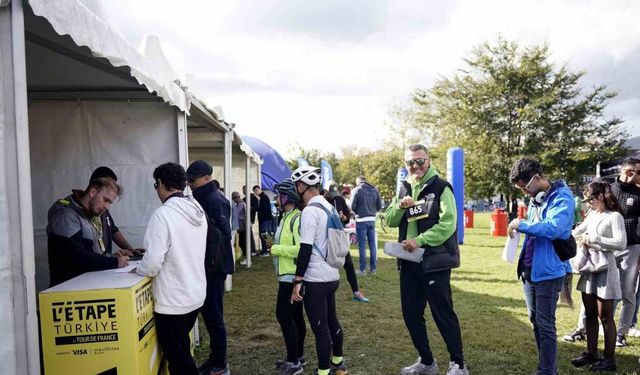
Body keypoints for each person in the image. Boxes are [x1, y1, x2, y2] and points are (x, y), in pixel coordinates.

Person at [385, 144, 467, 375]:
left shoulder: (441, 187)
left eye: (420, 161)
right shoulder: (403, 188)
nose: (415, 166)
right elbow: (390, 220)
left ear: (428, 162)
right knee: (411, 314)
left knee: (442, 313)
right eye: (411, 162)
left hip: (434, 262)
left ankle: (458, 364)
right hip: (409, 262)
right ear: (405, 164)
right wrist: (400, 207)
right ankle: (427, 361)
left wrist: (419, 241)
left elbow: (448, 224)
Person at [136, 162, 207, 375]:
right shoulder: (197, 210)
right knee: (182, 351)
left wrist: (138, 269)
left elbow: (152, 264)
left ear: (161, 184)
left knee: (179, 361)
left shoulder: (163, 214)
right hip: (194, 293)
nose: (156, 190)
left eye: (155, 185)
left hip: (172, 301)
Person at [508, 157, 574, 375]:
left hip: (548, 272)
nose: (524, 193)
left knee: (545, 325)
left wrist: (523, 224)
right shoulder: (536, 199)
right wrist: (517, 228)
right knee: (535, 321)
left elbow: (555, 229)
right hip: (529, 271)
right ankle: (545, 367)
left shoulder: (562, 197)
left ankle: (547, 371)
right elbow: (534, 228)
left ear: (536, 178)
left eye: (525, 187)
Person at [564, 158, 640, 346]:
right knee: (591, 291)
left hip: (631, 247)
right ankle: (581, 329)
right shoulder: (607, 189)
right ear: (629, 172)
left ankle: (621, 333)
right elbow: (589, 220)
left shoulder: (639, 194)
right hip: (602, 250)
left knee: (627, 291)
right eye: (639, 172)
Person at [290, 166, 348, 375]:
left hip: (316, 279)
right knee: (332, 320)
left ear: (302, 186)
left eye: (297, 186)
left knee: (320, 327)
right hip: (332, 274)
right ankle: (338, 361)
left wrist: (298, 281)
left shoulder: (310, 211)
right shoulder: (329, 206)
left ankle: (323, 371)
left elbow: (305, 248)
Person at [569, 182, 625, 372]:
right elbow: (577, 231)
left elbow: (620, 243)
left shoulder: (614, 216)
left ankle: (609, 359)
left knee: (606, 316)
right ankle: (591, 353)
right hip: (589, 268)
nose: (588, 203)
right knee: (590, 313)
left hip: (605, 269)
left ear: (601, 196)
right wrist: (570, 237)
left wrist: (594, 240)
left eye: (590, 199)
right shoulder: (592, 214)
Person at [185, 160, 233, 375]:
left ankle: (219, 364)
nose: (190, 184)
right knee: (211, 317)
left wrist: (210, 266)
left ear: (206, 178)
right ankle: (215, 360)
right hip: (206, 268)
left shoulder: (215, 200)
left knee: (214, 318)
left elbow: (223, 237)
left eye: (192, 180)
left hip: (212, 270)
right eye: (188, 181)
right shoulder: (206, 197)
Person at [46, 177, 129, 286]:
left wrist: (113, 256)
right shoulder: (66, 214)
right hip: (67, 292)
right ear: (92, 192)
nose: (106, 206)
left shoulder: (87, 214)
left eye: (110, 203)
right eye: (105, 200)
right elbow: (76, 258)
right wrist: (114, 262)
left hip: (82, 288)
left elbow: (90, 253)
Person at [269, 179, 306, 375]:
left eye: (278, 196)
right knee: (295, 317)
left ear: (286, 197)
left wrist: (276, 249)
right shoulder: (285, 217)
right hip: (287, 276)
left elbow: (302, 249)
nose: (276, 199)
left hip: (292, 278)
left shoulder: (297, 218)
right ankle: (297, 356)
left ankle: (294, 363)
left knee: (284, 316)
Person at [323, 182, 369, 302]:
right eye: (330, 193)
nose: (333, 196)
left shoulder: (339, 199)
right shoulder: (321, 201)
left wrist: (344, 217)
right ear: (325, 191)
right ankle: (324, 294)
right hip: (325, 238)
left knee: (348, 264)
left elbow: (348, 217)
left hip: (339, 236)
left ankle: (356, 292)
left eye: (334, 193)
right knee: (327, 265)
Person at [88, 167, 145, 257]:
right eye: (110, 184)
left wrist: (131, 250)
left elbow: (113, 231)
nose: (113, 187)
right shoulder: (76, 212)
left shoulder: (103, 209)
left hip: (103, 265)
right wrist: (113, 258)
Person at [351, 175, 382, 275]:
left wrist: (357, 212)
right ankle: (373, 269)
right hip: (372, 220)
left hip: (361, 220)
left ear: (358, 181)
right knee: (372, 245)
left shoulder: (357, 190)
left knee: (362, 246)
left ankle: (362, 269)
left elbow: (352, 206)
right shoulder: (374, 190)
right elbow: (379, 206)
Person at [254, 185, 276, 257]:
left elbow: (263, 210)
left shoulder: (263, 197)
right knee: (266, 235)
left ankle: (266, 251)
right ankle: (268, 249)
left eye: (255, 191)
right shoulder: (263, 197)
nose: (255, 193)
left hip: (264, 219)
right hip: (266, 219)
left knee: (264, 235)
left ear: (258, 190)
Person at [243, 185, 259, 256]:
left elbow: (256, 208)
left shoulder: (253, 198)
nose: (244, 191)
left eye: (245, 189)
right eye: (243, 190)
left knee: (249, 234)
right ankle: (251, 249)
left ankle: (252, 250)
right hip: (244, 219)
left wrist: (249, 208)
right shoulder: (244, 199)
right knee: (248, 234)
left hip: (250, 218)